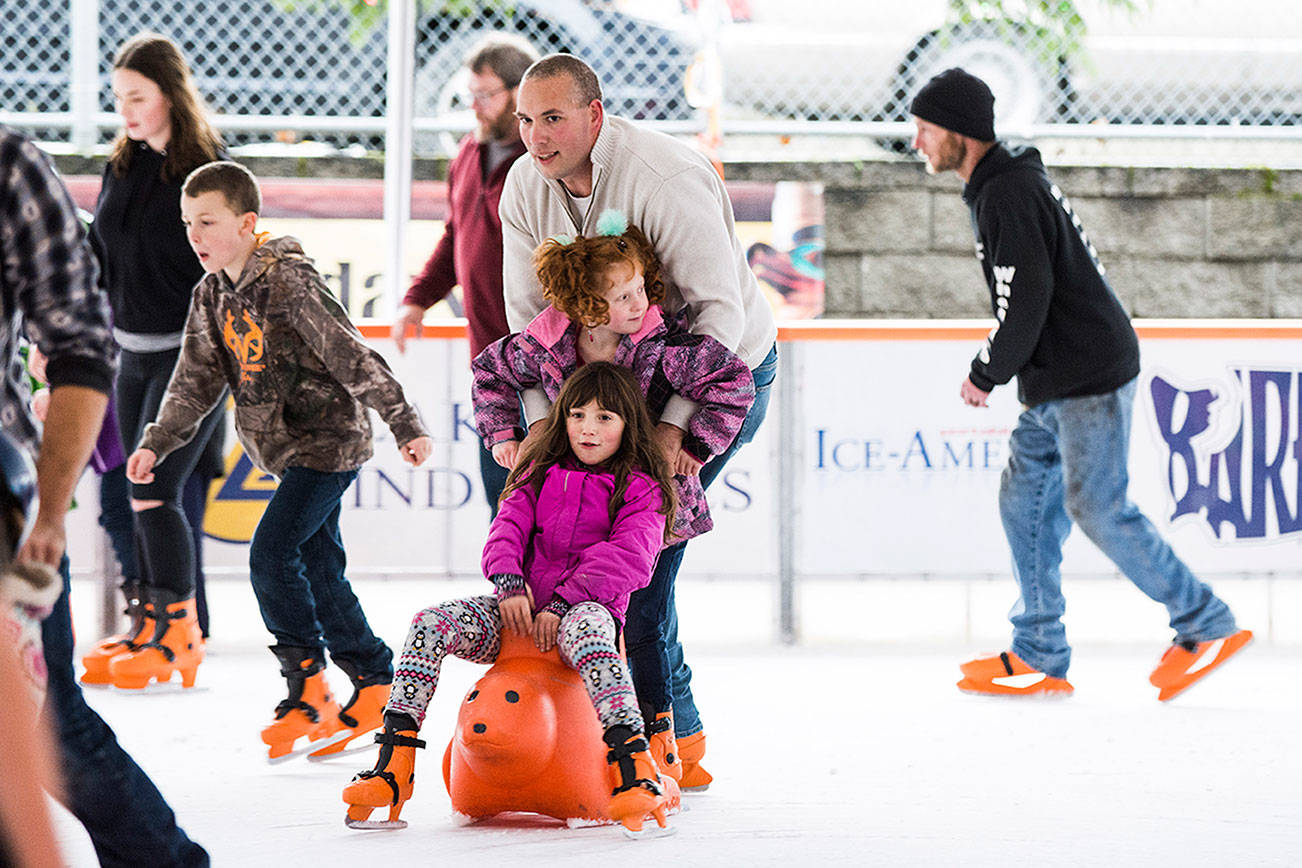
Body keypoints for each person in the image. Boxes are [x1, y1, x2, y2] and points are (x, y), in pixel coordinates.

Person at [909, 67, 1252, 700]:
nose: (916, 142)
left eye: (925, 128)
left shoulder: (1008, 192)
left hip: (1085, 374)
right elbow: (1029, 293)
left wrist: (986, 371)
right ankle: (1039, 651)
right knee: (1024, 500)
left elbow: (1026, 295)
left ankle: (1206, 622)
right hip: (1057, 376)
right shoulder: (1002, 185)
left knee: (1098, 507)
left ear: (959, 131)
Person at [500, 53, 779, 787]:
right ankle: (655, 728)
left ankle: (669, 739)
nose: (535, 136)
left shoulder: (664, 178)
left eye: (552, 118)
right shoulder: (525, 184)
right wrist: (539, 421)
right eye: (525, 119)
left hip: (717, 377)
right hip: (611, 386)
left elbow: (718, 316)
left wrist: (675, 425)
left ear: (594, 115)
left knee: (642, 563)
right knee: (596, 554)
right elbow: (526, 317)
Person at [125, 161, 434, 760]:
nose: (194, 235)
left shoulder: (288, 282)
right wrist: (157, 441)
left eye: (208, 222)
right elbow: (194, 381)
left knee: (271, 554)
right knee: (319, 568)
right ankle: (375, 679)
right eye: (188, 223)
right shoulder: (211, 295)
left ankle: (307, 688)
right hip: (285, 452)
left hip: (329, 443)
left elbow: (350, 355)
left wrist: (403, 421)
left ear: (247, 223)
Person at [472, 212, 754, 778]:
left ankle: (661, 740)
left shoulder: (662, 346)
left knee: (645, 619)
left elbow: (733, 380)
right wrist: (504, 434)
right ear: (586, 307)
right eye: (623, 296)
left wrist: (695, 444)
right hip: (575, 507)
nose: (641, 302)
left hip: (654, 508)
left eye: (641, 288)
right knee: (589, 617)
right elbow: (490, 373)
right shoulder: (546, 344)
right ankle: (587, 737)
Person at [343, 362, 678, 833]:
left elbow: (630, 557)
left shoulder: (642, 487)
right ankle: (393, 765)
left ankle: (632, 767)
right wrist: (509, 585)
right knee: (429, 623)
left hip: (584, 613)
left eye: (604, 418)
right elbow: (507, 529)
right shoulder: (539, 472)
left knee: (591, 633)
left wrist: (563, 602)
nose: (588, 428)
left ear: (628, 425)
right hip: (515, 615)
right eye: (578, 415)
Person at [1, 124, 208, 866]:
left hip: (11, 494)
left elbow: (81, 348)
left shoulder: (12, 167)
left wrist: (49, 513)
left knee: (49, 726)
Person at [85, 32, 228, 690]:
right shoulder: (123, 164)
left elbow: (233, 270)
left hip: (190, 359)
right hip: (130, 356)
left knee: (155, 487)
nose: (126, 111)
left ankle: (178, 631)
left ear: (170, 95)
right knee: (134, 492)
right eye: (118, 98)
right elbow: (100, 255)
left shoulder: (206, 172)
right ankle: (150, 622)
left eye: (137, 97)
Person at [392, 35, 538, 515]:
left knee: (544, 502)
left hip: (542, 361)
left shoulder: (541, 165)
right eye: (469, 94)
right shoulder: (468, 154)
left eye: (485, 95)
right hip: (489, 363)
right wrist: (417, 300)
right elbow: (456, 237)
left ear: (519, 93)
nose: (474, 105)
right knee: (502, 500)